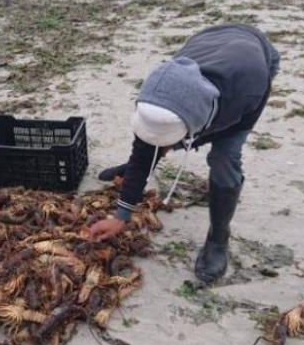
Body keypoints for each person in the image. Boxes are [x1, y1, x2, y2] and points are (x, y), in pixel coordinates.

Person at [88, 24, 280, 284]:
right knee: (149, 146)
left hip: (254, 59)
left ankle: (218, 238)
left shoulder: (248, 88)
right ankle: (140, 164)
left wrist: (184, 141)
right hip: (209, 40)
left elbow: (222, 130)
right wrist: (121, 216)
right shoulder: (159, 90)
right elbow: (149, 136)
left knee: (224, 158)